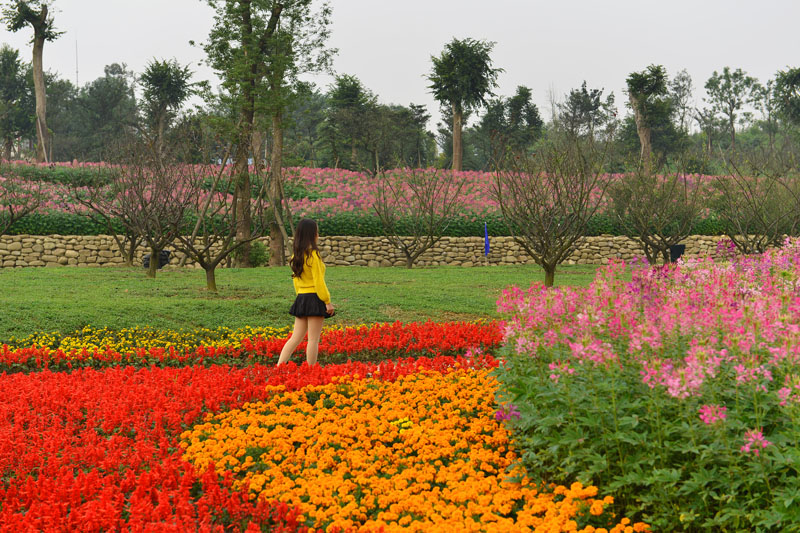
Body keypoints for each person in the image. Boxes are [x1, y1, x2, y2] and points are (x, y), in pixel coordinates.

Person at [277, 218, 334, 366]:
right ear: (312, 234)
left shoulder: (296, 256)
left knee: (295, 338)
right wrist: (327, 301)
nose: (318, 234)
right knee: (313, 339)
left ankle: (279, 367)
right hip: (315, 298)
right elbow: (319, 282)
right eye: (317, 231)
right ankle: (311, 370)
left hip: (301, 298)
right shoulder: (313, 255)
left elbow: (295, 280)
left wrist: (300, 298)